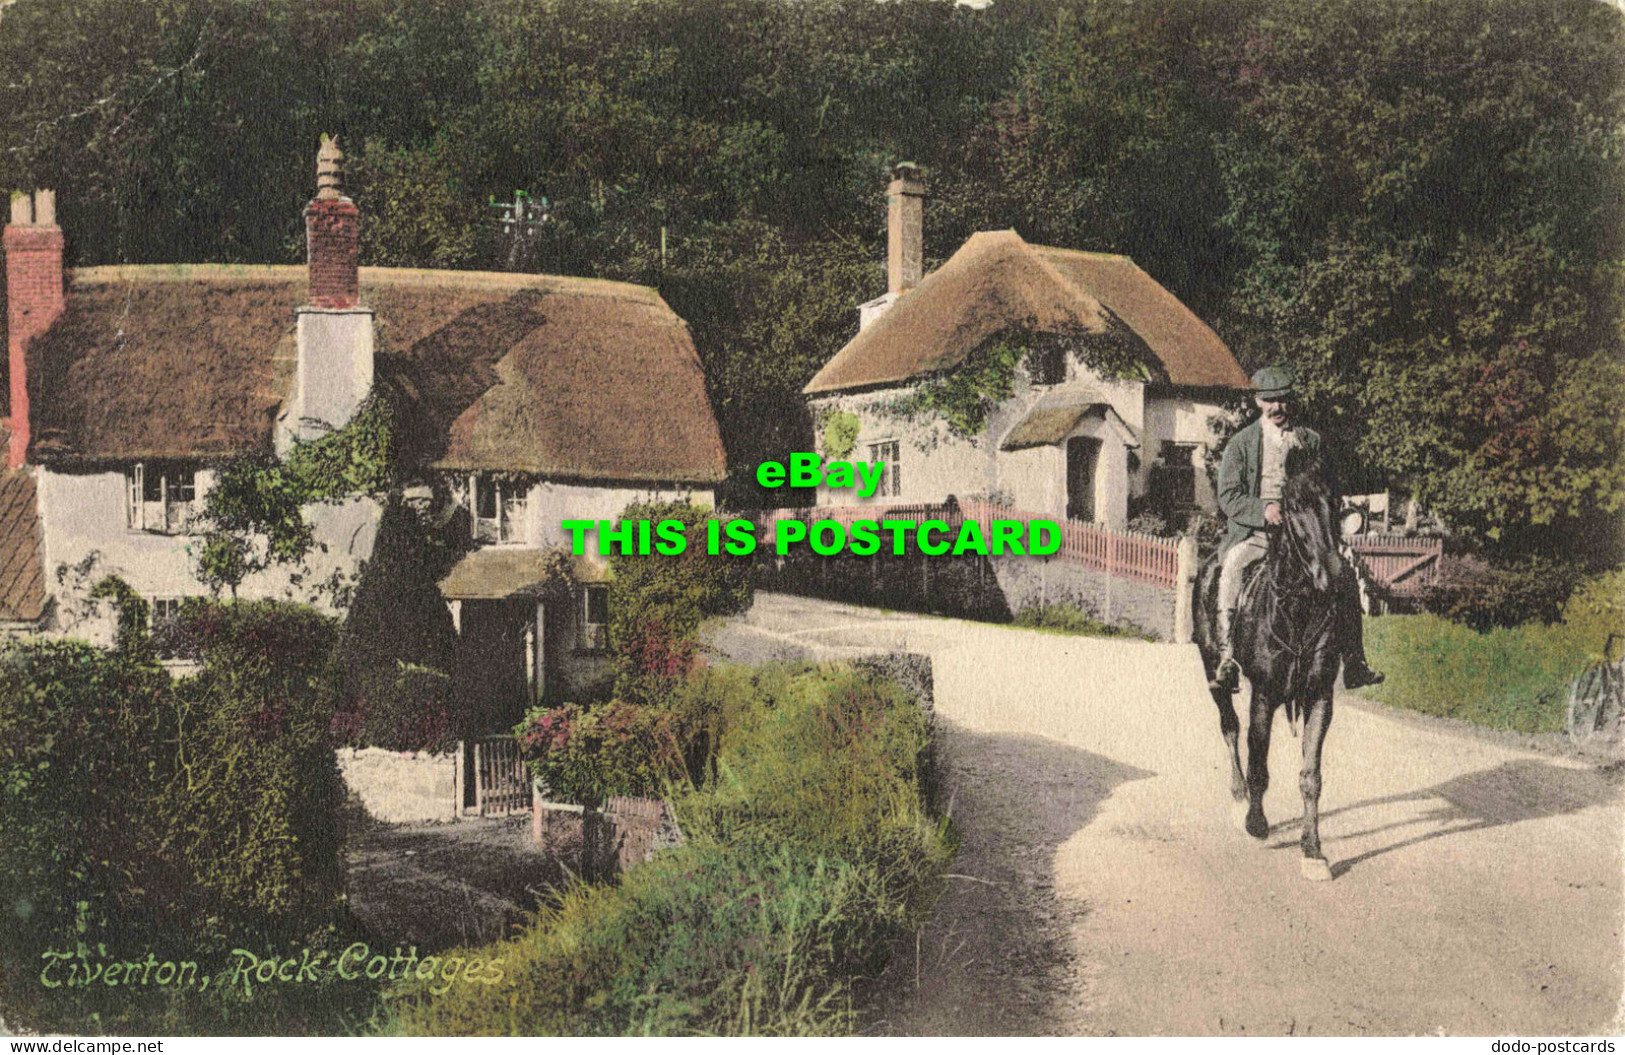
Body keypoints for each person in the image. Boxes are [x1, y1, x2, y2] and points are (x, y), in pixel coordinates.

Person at [1208, 364, 1385, 694]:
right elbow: (1229, 496)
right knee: (1231, 567)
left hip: (1308, 534)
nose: (1278, 407)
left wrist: (1326, 519)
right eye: (1270, 400)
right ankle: (1228, 657)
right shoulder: (1241, 444)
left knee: (1343, 574)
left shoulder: (1310, 441)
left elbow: (1326, 487)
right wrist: (1264, 509)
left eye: (1284, 400)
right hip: (1258, 535)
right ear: (1259, 403)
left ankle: (1355, 661)